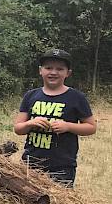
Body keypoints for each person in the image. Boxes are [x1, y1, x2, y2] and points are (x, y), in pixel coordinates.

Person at [13, 49, 96, 188]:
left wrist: (68, 126)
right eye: (48, 68)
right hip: (30, 164)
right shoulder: (31, 96)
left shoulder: (76, 98)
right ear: (40, 70)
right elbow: (18, 128)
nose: (53, 72)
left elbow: (91, 127)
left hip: (62, 167)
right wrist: (31, 123)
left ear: (68, 73)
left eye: (60, 69)